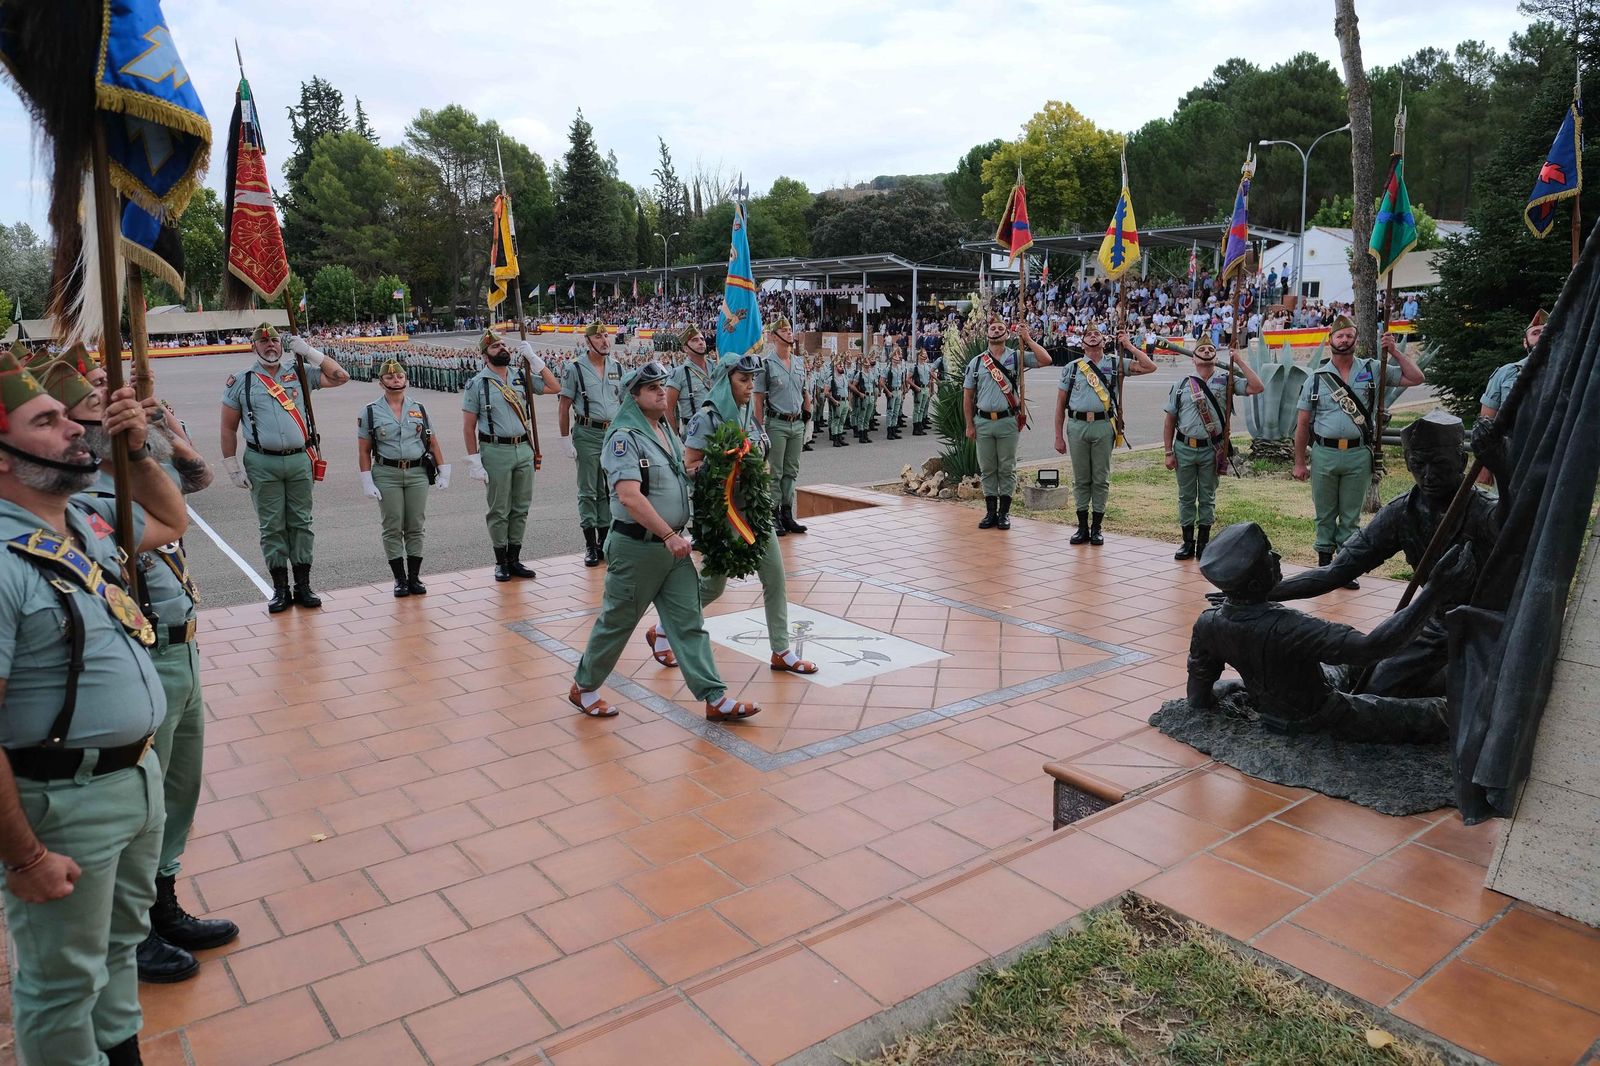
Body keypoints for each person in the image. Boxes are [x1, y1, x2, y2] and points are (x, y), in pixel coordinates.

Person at [0, 349, 189, 1065]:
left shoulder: (83, 516)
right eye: (46, 421)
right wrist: (24, 857)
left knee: (115, 955)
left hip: (131, 786)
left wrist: (135, 449)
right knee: (58, 985)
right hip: (60, 803)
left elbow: (170, 517)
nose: (73, 430)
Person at [566, 363, 763, 723]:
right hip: (638, 549)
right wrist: (669, 535)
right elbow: (628, 496)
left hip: (672, 549)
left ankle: (714, 696)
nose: (661, 392)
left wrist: (718, 466)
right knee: (617, 622)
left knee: (689, 623)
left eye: (662, 386)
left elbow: (679, 472)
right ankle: (585, 685)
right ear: (634, 396)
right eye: (652, 388)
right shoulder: (625, 437)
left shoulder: (664, 431)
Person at [1271, 411, 1503, 698]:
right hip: (1436, 623)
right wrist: (1265, 593)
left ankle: (1455, 684)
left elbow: (1515, 523)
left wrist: (1501, 468)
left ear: (1462, 462)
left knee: (1467, 695)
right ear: (1407, 462)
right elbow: (1336, 572)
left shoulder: (1483, 510)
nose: (1428, 475)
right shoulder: (1401, 513)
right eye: (1418, 464)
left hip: (1487, 627)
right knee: (1379, 686)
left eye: (1440, 465)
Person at [1187, 522, 1473, 742]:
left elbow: (1198, 696)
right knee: (1438, 714)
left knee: (1353, 665)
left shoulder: (1208, 623)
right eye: (1267, 555)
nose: (1277, 555)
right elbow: (1371, 648)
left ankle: (1421, 673)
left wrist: (1233, 689)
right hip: (1322, 715)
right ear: (1252, 584)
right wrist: (1433, 592)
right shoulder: (1289, 627)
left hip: (1280, 705)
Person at [647, 354, 818, 676]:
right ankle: (664, 628)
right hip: (723, 516)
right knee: (713, 587)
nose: (750, 385)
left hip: (754, 512)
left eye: (752, 379)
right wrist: (725, 465)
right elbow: (690, 466)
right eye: (743, 380)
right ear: (727, 381)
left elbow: (759, 454)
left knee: (775, 578)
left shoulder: (748, 415)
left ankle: (781, 650)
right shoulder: (706, 418)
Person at [220, 323, 351, 612]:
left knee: (301, 523)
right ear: (253, 347)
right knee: (271, 527)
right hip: (261, 462)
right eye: (264, 343)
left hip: (299, 459)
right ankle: (280, 589)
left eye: (276, 342)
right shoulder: (243, 381)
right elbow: (228, 428)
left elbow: (341, 376)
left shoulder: (299, 373)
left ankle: (303, 586)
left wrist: (309, 352)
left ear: (283, 345)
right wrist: (231, 464)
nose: (271, 346)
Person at [1292, 314, 1425, 581]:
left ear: (1356, 339)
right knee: (1325, 513)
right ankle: (1324, 565)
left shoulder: (1373, 368)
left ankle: (1345, 569)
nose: (1344, 340)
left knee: (1351, 516)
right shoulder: (1317, 378)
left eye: (1349, 335)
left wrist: (1395, 352)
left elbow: (1416, 378)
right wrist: (1298, 462)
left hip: (1358, 454)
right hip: (1324, 453)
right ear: (1330, 340)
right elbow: (1303, 423)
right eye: (1339, 336)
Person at [462, 330, 558, 581]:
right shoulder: (477, 384)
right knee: (499, 509)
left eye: (504, 344)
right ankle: (500, 561)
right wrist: (474, 460)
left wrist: (536, 361)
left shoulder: (521, 376)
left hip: (523, 448)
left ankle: (515, 559)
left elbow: (554, 386)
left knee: (521, 507)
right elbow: (468, 425)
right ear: (485, 355)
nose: (502, 348)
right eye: (495, 346)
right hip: (495, 450)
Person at [1053, 322, 1157, 545]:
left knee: (1100, 478)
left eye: (1096, 334)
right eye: (1088, 335)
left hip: (1103, 426)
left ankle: (1097, 527)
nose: (1092, 337)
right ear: (1082, 343)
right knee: (1081, 479)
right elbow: (1060, 403)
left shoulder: (1115, 363)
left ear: (1104, 340)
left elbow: (1149, 367)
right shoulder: (1072, 368)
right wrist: (1058, 435)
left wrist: (1128, 345)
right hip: (1077, 425)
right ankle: (1082, 527)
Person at [1161, 339, 1263, 560]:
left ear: (1216, 358)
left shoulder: (1226, 381)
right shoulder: (1182, 385)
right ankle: (1188, 542)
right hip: (1184, 448)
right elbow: (1169, 421)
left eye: (1211, 349)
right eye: (1201, 349)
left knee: (1207, 497)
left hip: (1211, 449)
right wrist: (1168, 452)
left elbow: (1257, 386)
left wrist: (1240, 363)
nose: (1206, 351)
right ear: (1194, 358)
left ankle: (1204, 544)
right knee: (1186, 497)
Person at [360, 358, 450, 597]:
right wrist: (366, 479)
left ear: (406, 380)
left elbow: (432, 441)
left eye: (399, 376)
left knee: (415, 525)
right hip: (386, 473)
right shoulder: (370, 411)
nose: (395, 380)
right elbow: (364, 449)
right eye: (389, 377)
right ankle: (399, 579)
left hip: (417, 473)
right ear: (381, 383)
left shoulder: (419, 408)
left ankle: (414, 577)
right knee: (392, 526)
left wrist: (443, 469)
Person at [559, 322, 624, 567]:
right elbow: (564, 404)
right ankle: (590, 544)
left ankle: (604, 541)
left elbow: (624, 400)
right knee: (588, 490)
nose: (605, 340)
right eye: (598, 337)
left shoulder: (617, 366)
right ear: (588, 342)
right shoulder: (574, 368)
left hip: (612, 434)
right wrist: (565, 438)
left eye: (606, 335)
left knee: (608, 489)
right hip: (587, 433)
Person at [752, 317, 809, 536]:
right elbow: (758, 400)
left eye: (789, 329)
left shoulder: (798, 362)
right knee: (774, 472)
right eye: (784, 330)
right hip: (776, 423)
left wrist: (807, 413)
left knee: (791, 471)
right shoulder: (766, 364)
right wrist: (760, 430)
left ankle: (787, 512)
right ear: (775, 337)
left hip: (796, 424)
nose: (789, 333)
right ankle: (772, 514)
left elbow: (804, 390)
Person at [665, 325, 713, 435]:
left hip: (719, 431)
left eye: (702, 339)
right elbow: (668, 409)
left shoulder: (715, 367)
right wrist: (675, 436)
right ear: (685, 348)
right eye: (694, 340)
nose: (701, 342)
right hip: (695, 434)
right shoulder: (679, 373)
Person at [884, 347, 908, 441]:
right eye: (895, 357)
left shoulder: (900, 368)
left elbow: (902, 380)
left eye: (898, 358)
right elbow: (882, 381)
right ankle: (889, 431)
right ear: (892, 358)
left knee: (896, 411)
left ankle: (894, 429)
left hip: (898, 391)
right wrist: (888, 391)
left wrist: (903, 390)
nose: (897, 359)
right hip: (892, 391)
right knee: (890, 411)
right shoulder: (888, 369)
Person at [828, 354, 851, 447]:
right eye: (840, 365)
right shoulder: (831, 378)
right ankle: (835, 439)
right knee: (836, 421)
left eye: (842, 365)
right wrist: (834, 401)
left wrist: (848, 402)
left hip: (845, 401)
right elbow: (827, 392)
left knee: (842, 421)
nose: (842, 367)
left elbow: (847, 389)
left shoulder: (844, 377)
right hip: (837, 402)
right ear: (835, 367)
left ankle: (840, 437)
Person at [909, 345, 933, 435]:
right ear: (919, 355)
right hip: (918, 389)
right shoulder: (915, 367)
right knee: (917, 409)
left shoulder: (927, 366)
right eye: (923, 354)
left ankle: (920, 426)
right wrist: (915, 387)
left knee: (922, 408)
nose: (925, 355)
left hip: (925, 388)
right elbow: (908, 379)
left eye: (926, 354)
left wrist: (930, 388)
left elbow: (930, 378)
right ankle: (915, 427)